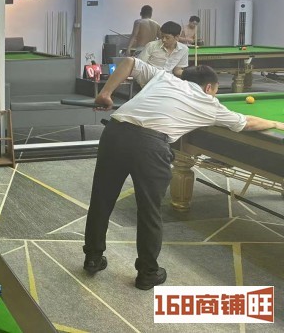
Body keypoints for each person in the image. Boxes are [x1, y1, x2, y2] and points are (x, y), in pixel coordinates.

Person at [82, 57, 284, 290]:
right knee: (149, 210)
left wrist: (106, 93)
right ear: (209, 88)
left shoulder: (163, 77)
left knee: (102, 199)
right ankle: (147, 273)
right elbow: (246, 122)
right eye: (215, 92)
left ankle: (93, 258)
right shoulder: (209, 104)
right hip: (150, 145)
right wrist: (275, 124)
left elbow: (129, 61)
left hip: (114, 132)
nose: (215, 96)